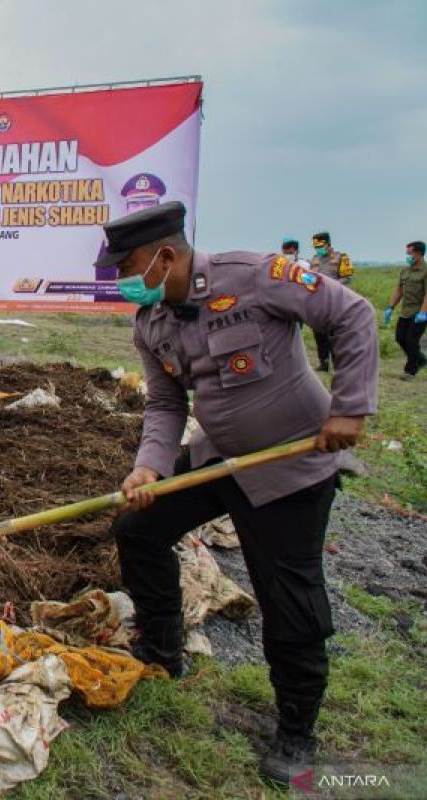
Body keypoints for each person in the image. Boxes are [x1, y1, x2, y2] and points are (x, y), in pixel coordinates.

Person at [94, 202, 377, 787]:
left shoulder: (254, 276)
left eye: (129, 265)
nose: (122, 279)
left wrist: (350, 407)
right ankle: (162, 649)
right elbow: (168, 404)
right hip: (220, 457)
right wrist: (148, 468)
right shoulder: (150, 323)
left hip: (293, 466)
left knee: (288, 599)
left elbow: (353, 315)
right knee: (137, 528)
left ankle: (296, 731)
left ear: (165, 255)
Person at [308, 232, 354, 372]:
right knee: (319, 333)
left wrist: (331, 286)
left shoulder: (341, 257)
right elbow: (309, 277)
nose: (318, 249)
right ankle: (323, 362)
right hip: (318, 302)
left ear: (328, 244)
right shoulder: (315, 259)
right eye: (315, 246)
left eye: (320, 246)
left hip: (335, 301)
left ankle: (338, 364)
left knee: (334, 334)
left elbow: (347, 278)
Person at [383, 241, 427, 381]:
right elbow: (399, 291)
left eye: (410, 253)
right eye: (407, 253)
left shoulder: (425, 271)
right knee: (400, 338)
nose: (407, 256)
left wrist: (423, 312)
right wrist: (390, 307)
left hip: (420, 311)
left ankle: (410, 371)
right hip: (405, 311)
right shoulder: (405, 270)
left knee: (411, 340)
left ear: (419, 253)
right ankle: (421, 359)